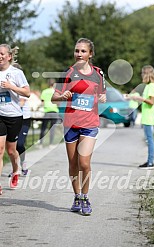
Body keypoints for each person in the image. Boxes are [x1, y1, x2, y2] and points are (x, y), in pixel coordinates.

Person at [51, 38, 106, 215]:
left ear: (90, 54)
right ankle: (76, 196)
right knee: (73, 163)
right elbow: (54, 97)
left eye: (83, 51)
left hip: (90, 123)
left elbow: (101, 94)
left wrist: (103, 98)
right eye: (77, 51)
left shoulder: (98, 73)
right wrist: (63, 96)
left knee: (84, 162)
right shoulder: (67, 73)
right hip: (71, 123)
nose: (79, 54)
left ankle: (85, 197)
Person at [0, 44, 30, 195]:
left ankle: (15, 170)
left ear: (9, 56)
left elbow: (27, 93)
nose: (0, 56)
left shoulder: (16, 73)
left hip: (14, 116)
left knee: (11, 151)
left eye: (2, 53)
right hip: (0, 115)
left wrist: (11, 86)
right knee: (0, 150)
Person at [129, 65, 154, 169]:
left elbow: (151, 102)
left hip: (150, 117)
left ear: (147, 74)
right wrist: (135, 98)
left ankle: (150, 162)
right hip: (146, 116)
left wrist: (139, 98)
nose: (141, 75)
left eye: (143, 73)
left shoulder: (152, 86)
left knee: (149, 139)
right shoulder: (148, 86)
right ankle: (149, 161)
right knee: (148, 139)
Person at [39, 79, 59, 147]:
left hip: (46, 110)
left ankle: (41, 144)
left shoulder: (44, 91)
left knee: (43, 128)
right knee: (52, 128)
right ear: (54, 84)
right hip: (54, 110)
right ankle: (51, 144)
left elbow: (42, 101)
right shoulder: (56, 92)